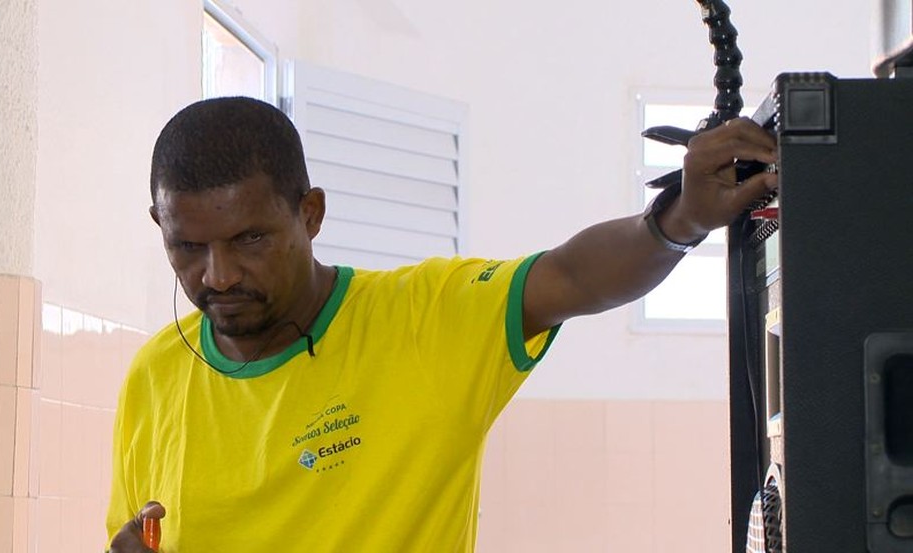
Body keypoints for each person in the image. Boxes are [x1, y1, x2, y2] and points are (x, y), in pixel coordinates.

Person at [106, 97, 777, 552]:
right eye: (188, 246)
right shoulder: (155, 376)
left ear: (309, 214)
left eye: (249, 239)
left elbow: (574, 276)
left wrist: (681, 219)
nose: (217, 275)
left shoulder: (425, 318)